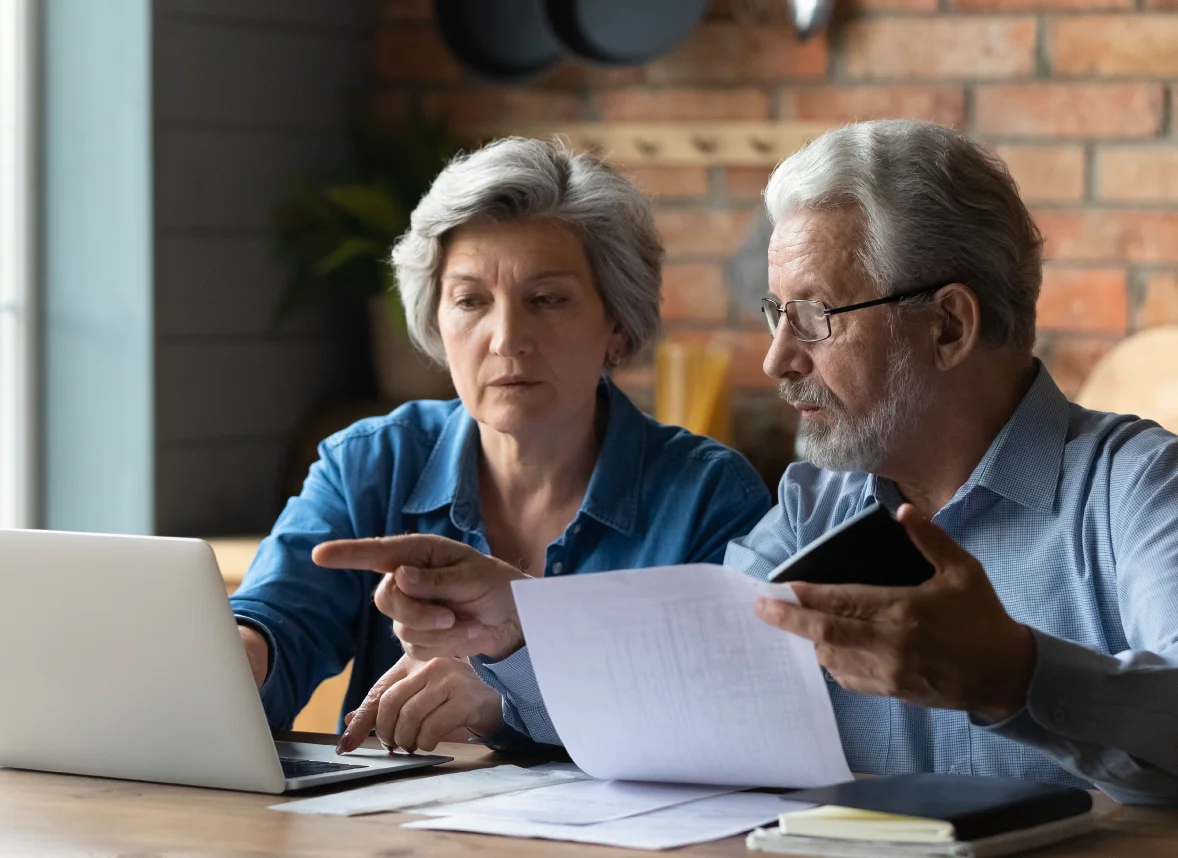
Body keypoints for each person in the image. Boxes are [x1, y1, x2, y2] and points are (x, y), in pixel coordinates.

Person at [323, 120, 1178, 805]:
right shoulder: (817, 505)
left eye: (814, 316)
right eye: (775, 312)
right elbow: (681, 685)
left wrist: (1015, 676)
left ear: (949, 325)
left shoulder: (1138, 489)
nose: (775, 361)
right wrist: (517, 625)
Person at [229, 137, 772, 754]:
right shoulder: (370, 464)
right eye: (470, 301)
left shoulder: (709, 496)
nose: (507, 338)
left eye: (547, 300)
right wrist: (242, 659)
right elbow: (281, 620)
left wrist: (510, 696)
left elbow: (725, 710)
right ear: (436, 320)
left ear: (617, 324)